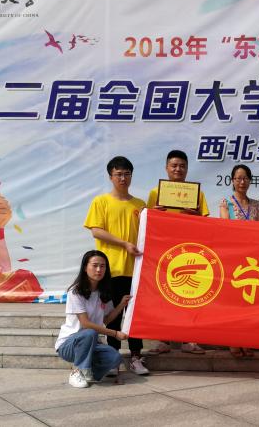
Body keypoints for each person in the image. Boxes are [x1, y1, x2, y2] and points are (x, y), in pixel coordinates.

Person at [83, 156, 149, 375]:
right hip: (110, 270)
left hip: (135, 270)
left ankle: (136, 357)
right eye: (118, 174)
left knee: (135, 316)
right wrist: (124, 244)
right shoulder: (100, 201)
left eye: (127, 174)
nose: (123, 178)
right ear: (110, 176)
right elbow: (96, 231)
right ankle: (113, 359)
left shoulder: (140, 205)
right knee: (113, 316)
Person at [146, 150, 208, 354]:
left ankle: (189, 339)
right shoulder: (155, 193)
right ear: (166, 168)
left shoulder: (197, 194)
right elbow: (146, 222)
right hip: (164, 253)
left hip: (189, 253)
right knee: (163, 297)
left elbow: (206, 223)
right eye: (174, 165)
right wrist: (154, 213)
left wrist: (196, 216)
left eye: (182, 166)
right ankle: (163, 339)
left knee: (189, 296)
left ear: (187, 169)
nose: (178, 169)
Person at [55, 250, 131, 388]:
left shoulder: (104, 292)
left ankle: (88, 373)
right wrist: (115, 333)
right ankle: (77, 371)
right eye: (95, 265)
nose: (99, 270)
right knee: (89, 332)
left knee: (115, 357)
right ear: (85, 267)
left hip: (92, 343)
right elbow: (85, 324)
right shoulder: (75, 291)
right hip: (69, 345)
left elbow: (106, 320)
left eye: (102, 266)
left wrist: (121, 305)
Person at [219, 164, 259, 358]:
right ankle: (233, 340)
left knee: (250, 302)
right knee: (234, 302)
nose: (242, 182)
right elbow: (224, 229)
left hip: (253, 260)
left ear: (250, 181)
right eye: (238, 178)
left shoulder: (256, 205)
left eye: (245, 178)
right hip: (234, 259)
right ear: (232, 181)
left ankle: (247, 339)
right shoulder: (225, 202)